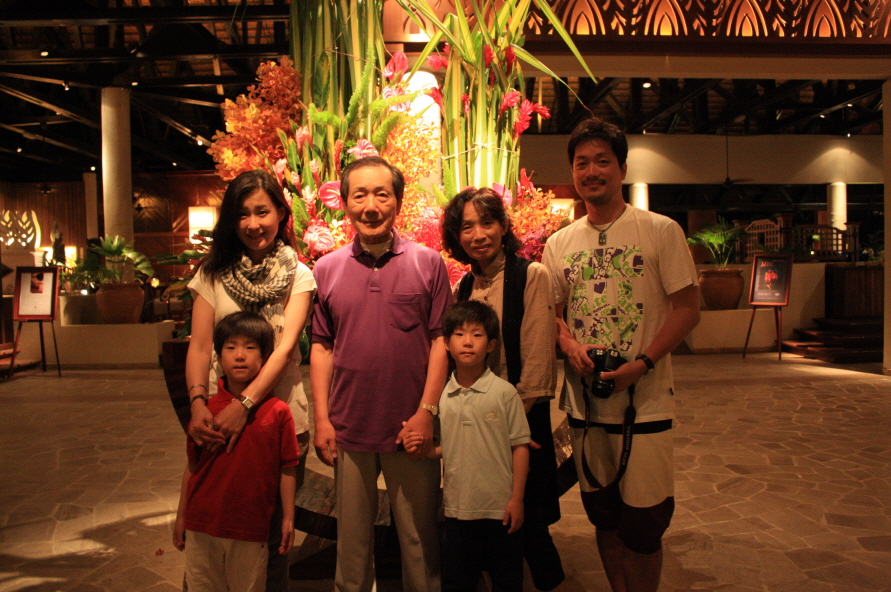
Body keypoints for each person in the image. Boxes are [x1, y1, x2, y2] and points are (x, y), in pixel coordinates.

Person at [541, 117, 701, 592]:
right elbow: (550, 314)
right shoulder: (559, 243)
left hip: (645, 402)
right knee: (604, 516)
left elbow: (688, 308)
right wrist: (568, 344)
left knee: (645, 524)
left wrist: (642, 364)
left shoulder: (660, 230)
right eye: (581, 163)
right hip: (586, 407)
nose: (591, 171)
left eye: (602, 161)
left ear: (623, 168)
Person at [310, 155, 452, 592]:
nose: (370, 206)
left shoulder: (428, 263)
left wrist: (427, 412)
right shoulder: (326, 269)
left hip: (411, 428)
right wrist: (322, 418)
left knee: (420, 540)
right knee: (351, 545)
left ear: (398, 201)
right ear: (345, 203)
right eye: (359, 195)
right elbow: (322, 346)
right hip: (349, 426)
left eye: (381, 194)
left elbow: (441, 342)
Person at [184, 169, 315, 592]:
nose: (253, 224)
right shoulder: (212, 273)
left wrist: (245, 407)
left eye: (262, 212)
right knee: (213, 521)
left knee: (271, 534)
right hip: (218, 418)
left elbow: (284, 348)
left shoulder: (299, 275)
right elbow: (199, 346)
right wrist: (198, 404)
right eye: (242, 214)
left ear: (281, 213)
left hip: (279, 418)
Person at [441, 187, 564, 590]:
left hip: (518, 419)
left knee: (529, 518)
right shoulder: (464, 286)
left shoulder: (532, 276)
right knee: (486, 521)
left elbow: (539, 358)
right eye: (467, 227)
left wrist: (509, 425)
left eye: (487, 222)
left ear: (504, 226)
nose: (478, 235)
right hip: (479, 422)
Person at [404, 300, 531, 592]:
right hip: (457, 509)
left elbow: (520, 447)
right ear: (446, 344)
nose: (468, 342)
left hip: (499, 508)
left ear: (491, 345)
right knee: (458, 580)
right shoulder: (442, 396)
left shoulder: (504, 393)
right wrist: (425, 450)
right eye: (459, 334)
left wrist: (516, 499)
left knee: (507, 580)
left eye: (477, 334)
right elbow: (450, 446)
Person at [173, 311, 300, 592]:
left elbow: (287, 468)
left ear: (265, 357)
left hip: (250, 527)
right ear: (218, 357)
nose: (240, 356)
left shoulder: (278, 412)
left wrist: (288, 518)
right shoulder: (205, 412)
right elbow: (192, 467)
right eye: (230, 347)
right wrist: (182, 516)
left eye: (250, 347)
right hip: (201, 524)